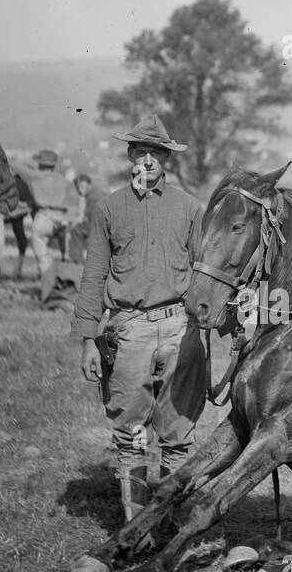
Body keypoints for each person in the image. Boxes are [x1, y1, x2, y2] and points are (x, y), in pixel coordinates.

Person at [73, 114, 206, 524]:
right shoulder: (109, 208)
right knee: (130, 434)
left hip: (180, 328)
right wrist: (87, 340)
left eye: (155, 153)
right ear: (130, 155)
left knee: (177, 434)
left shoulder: (188, 207)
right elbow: (94, 274)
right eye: (139, 151)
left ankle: (166, 526)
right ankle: (135, 527)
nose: (147, 160)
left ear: (167, 157)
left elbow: (205, 272)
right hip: (127, 330)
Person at [17, 149, 73, 277]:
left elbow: (16, 168)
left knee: (41, 251)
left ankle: (47, 277)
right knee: (65, 253)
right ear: (54, 164)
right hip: (62, 220)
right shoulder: (62, 179)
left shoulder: (34, 177)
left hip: (44, 218)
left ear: (40, 164)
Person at [67, 173, 107, 264]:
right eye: (78, 187)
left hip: (103, 226)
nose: (80, 190)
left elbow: (96, 221)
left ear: (89, 185)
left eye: (82, 186)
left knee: (76, 230)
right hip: (102, 224)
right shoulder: (92, 194)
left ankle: (77, 262)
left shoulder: (94, 196)